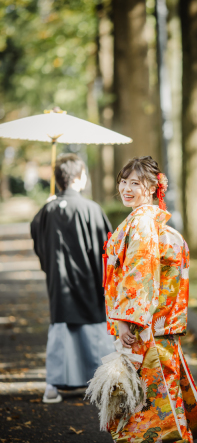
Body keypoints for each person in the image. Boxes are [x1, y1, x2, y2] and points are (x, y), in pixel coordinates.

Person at [104, 156, 197, 442]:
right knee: (166, 402)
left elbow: (139, 273)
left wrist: (126, 320)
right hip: (162, 327)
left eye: (135, 183)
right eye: (123, 182)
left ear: (152, 187)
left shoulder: (141, 223)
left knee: (147, 411)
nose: (126, 188)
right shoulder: (156, 224)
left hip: (147, 329)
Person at [31, 153, 114, 403]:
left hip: (60, 283)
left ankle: (53, 387)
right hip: (89, 281)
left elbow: (38, 238)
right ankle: (104, 384)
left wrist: (48, 207)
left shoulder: (47, 210)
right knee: (96, 332)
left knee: (60, 331)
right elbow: (107, 249)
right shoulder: (91, 208)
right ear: (79, 177)